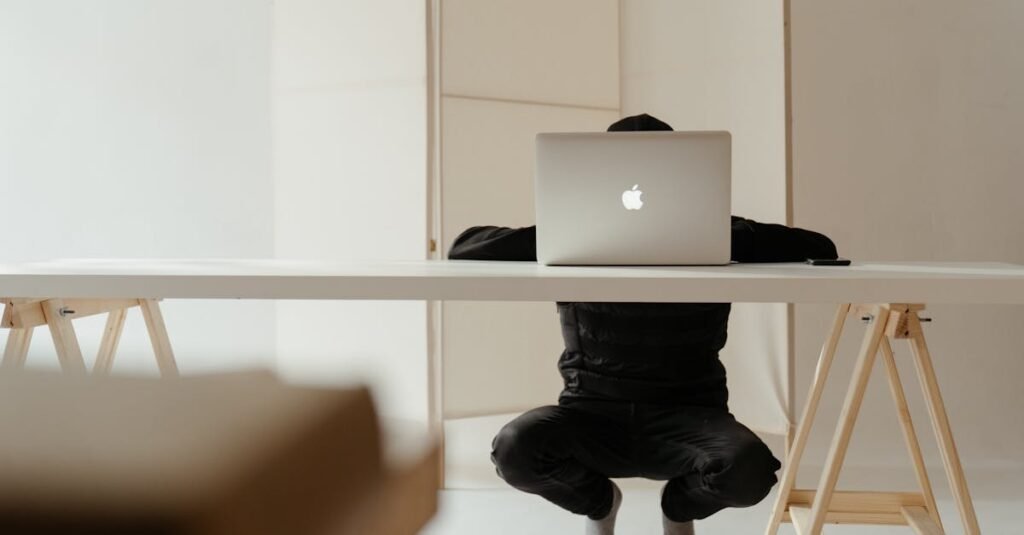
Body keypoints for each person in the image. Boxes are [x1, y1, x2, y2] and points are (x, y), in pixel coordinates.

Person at [447, 114, 838, 535]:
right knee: (515, 449)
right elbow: (464, 246)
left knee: (749, 470)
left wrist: (725, 233)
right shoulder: (572, 235)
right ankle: (599, 503)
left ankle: (678, 508)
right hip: (590, 415)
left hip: (690, 417)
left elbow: (822, 248)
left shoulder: (717, 236)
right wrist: (560, 226)